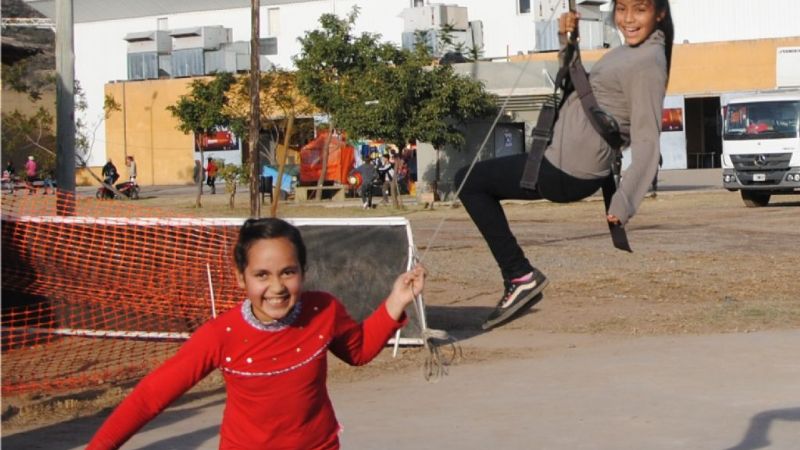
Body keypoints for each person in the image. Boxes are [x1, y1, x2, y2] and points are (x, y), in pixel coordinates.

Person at [86, 218, 425, 450]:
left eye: (288, 272)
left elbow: (358, 351)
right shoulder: (221, 335)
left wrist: (396, 300)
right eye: (262, 275)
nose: (276, 287)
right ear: (241, 278)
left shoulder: (323, 310)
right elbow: (150, 396)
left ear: (303, 271)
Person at [455, 0, 673, 330]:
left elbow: (647, 140)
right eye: (622, 9)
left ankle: (519, 275)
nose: (628, 19)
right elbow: (580, 86)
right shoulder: (631, 52)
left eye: (639, 10)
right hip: (560, 158)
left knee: (470, 181)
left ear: (660, 13)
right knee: (471, 180)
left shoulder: (647, 63)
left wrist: (624, 202)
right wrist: (567, 40)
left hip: (568, 168)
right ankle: (519, 275)